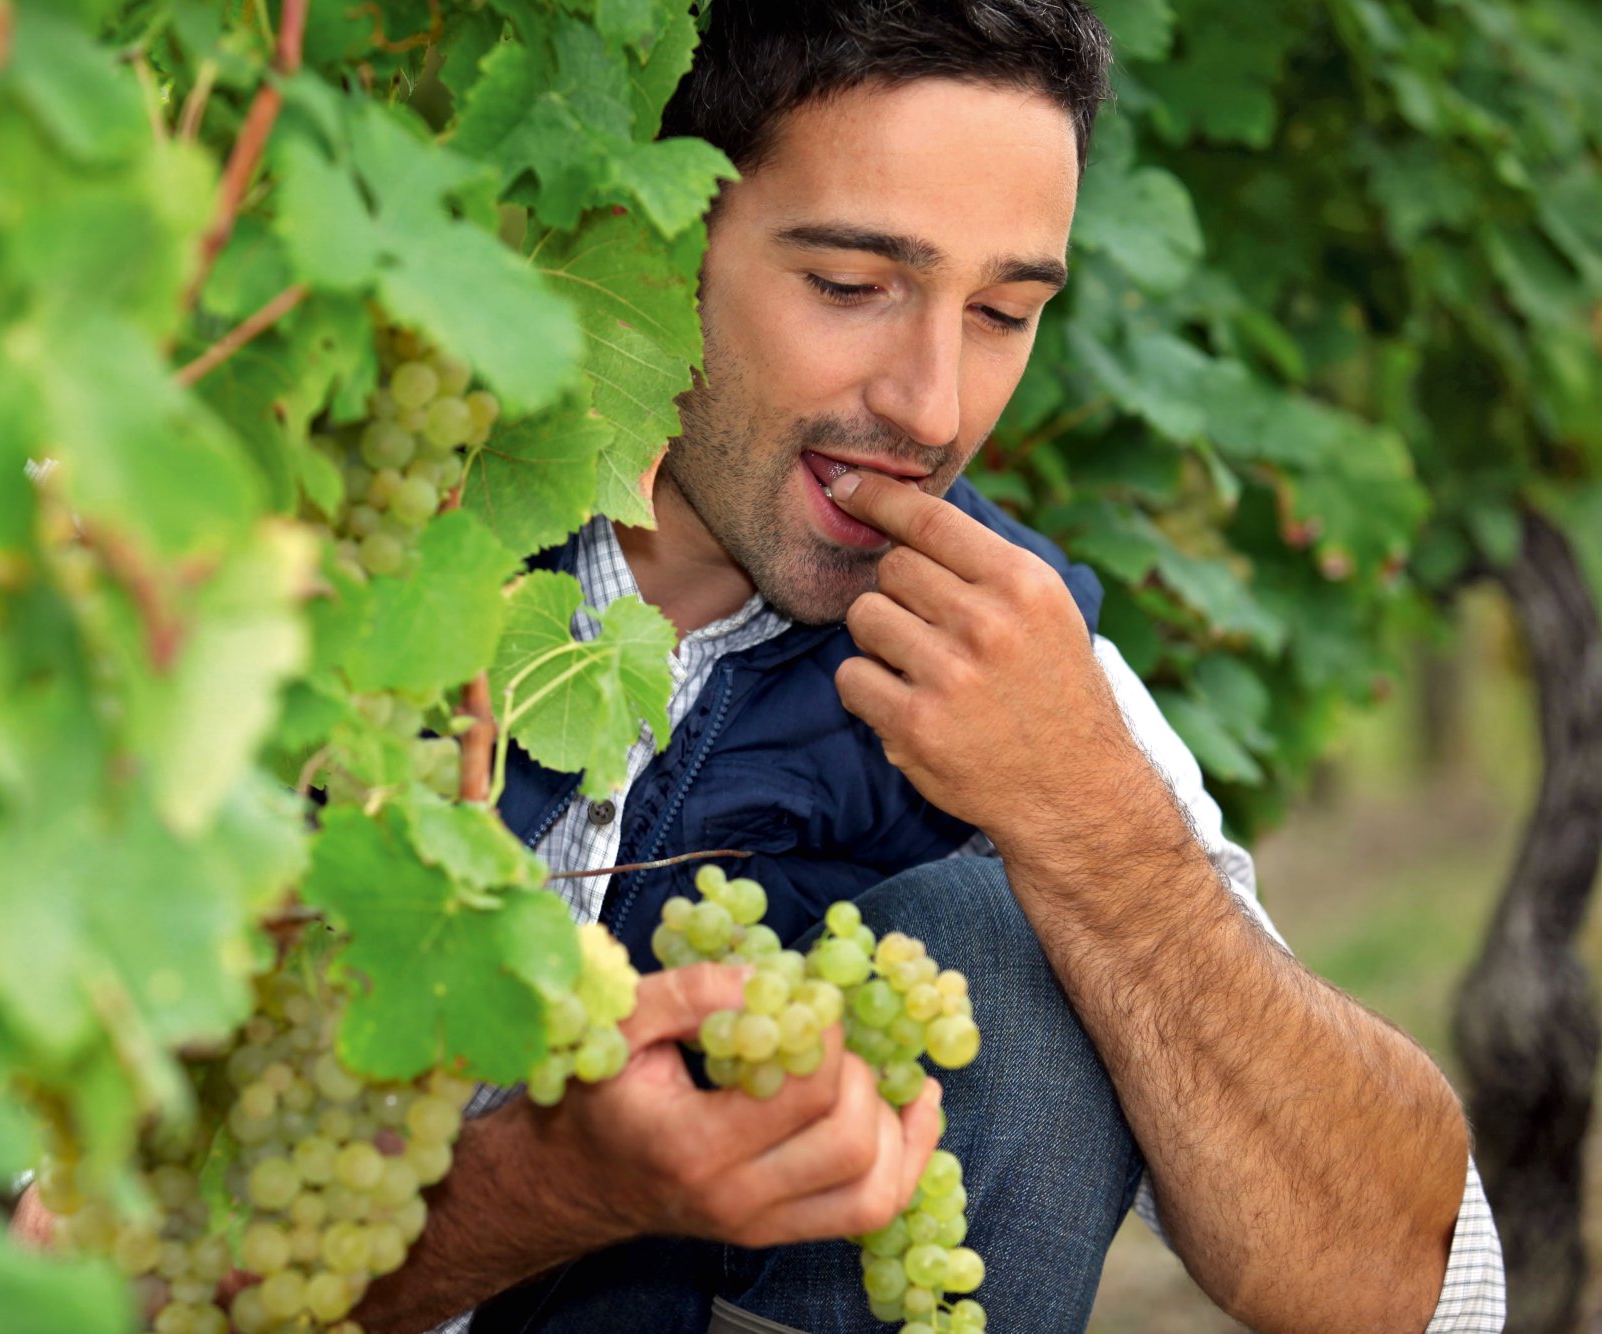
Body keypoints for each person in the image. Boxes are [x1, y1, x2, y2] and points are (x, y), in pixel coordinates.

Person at [345, 4, 1506, 1333]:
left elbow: (1432, 1299)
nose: (934, 407)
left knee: (1008, 957)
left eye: (1006, 311)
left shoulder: (994, 648)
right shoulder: (326, 585)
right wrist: (543, 1187)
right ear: (641, 242)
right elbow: (82, 1274)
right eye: (850, 285)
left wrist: (1098, 828)